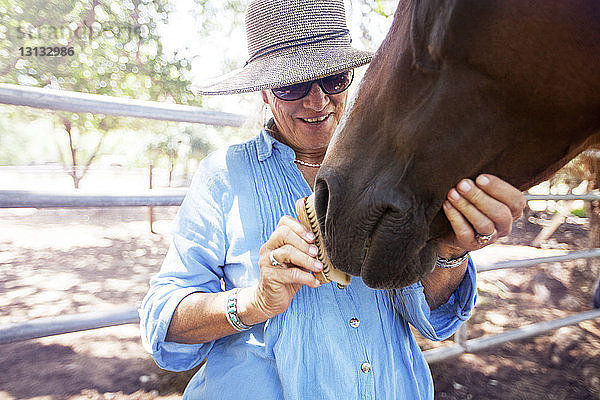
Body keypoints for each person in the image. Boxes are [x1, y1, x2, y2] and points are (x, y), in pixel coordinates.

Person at [139, 0, 526, 398]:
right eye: (293, 85)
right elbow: (162, 322)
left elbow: (432, 319)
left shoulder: (394, 168)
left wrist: (449, 251)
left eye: (333, 78)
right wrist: (255, 302)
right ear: (264, 93)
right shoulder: (224, 176)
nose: (317, 100)